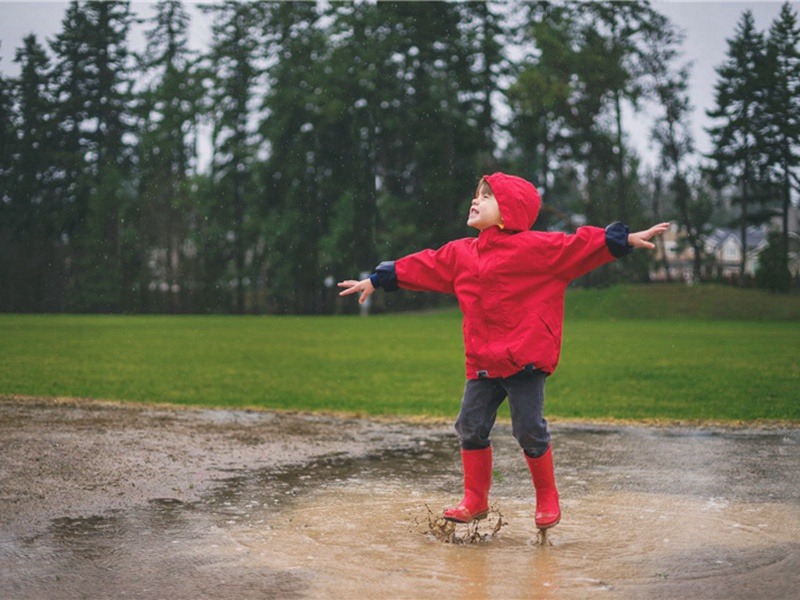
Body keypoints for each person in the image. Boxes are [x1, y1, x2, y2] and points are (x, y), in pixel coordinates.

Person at [338, 173, 668, 532]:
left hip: (524, 360)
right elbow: (425, 264)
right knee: (469, 426)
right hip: (482, 362)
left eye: (487, 197)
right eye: (476, 195)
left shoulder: (538, 249)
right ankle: (475, 499)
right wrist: (378, 279)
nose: (475, 201)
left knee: (528, 429)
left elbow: (576, 246)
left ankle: (546, 496)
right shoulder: (461, 253)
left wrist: (621, 240)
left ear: (509, 211)